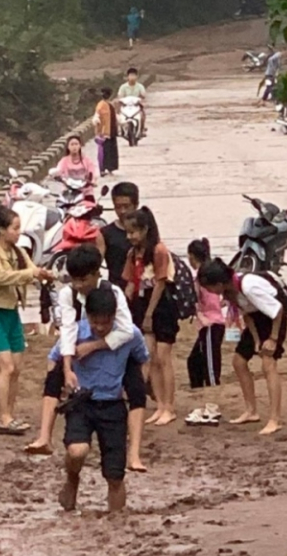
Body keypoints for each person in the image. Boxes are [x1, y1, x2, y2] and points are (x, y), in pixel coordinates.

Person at [24, 244, 148, 472]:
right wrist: (68, 368)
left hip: (116, 345)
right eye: (74, 280)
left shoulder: (114, 293)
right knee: (54, 374)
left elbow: (127, 331)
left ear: (96, 274)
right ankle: (44, 436)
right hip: (79, 341)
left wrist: (95, 346)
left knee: (136, 389)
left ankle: (135, 455)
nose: (79, 285)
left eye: (83, 280)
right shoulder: (68, 293)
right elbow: (68, 329)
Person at [56, 287, 151, 513]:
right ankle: (72, 477)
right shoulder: (74, 333)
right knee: (77, 451)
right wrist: (63, 381)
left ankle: (116, 520)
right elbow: (54, 359)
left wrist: (139, 389)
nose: (99, 328)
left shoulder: (130, 334)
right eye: (95, 322)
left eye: (105, 323)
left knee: (115, 474)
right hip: (81, 402)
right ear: (87, 316)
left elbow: (143, 359)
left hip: (113, 404)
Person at [0, 204, 55, 434]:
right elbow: (1, 278)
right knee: (6, 367)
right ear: (2, 229)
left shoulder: (17, 251)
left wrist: (43, 274)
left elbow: (31, 269)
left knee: (17, 368)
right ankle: (4, 418)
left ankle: (10, 414)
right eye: (15, 228)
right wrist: (30, 274)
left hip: (12, 313)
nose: (18, 232)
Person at [197, 259, 287, 435]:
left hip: (274, 318)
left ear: (218, 283)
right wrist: (255, 339)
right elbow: (246, 314)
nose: (208, 292)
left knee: (268, 363)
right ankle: (251, 411)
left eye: (209, 288)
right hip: (256, 318)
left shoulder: (248, 286)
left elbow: (277, 310)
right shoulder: (231, 291)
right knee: (239, 361)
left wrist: (272, 339)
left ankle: (274, 419)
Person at [123, 207, 179, 426]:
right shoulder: (133, 254)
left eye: (133, 232)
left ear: (145, 230)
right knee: (150, 356)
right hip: (142, 303)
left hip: (161, 306)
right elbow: (130, 282)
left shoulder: (159, 251)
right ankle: (160, 405)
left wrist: (149, 314)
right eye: (128, 233)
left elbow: (160, 283)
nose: (130, 237)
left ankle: (170, 406)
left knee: (164, 357)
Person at [186, 238, 225, 390]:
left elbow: (193, 300)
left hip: (210, 324)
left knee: (210, 363)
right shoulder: (211, 275)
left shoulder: (201, 279)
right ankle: (198, 390)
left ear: (192, 257)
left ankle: (212, 390)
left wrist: (199, 314)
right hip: (214, 323)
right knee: (194, 360)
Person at [101, 182, 139, 289]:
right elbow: (96, 262)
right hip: (117, 289)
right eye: (118, 207)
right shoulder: (106, 233)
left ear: (136, 205)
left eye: (127, 206)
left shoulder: (146, 229)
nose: (122, 211)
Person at [94, 88, 120, 175]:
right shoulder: (100, 105)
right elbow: (96, 116)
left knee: (111, 151)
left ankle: (110, 169)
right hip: (104, 132)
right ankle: (102, 169)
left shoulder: (111, 104)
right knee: (103, 152)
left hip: (112, 131)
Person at [117, 67, 147, 134]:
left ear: (137, 77)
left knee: (143, 114)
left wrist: (141, 98)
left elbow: (143, 95)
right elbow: (120, 96)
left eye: (134, 75)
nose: (132, 77)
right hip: (126, 105)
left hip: (136, 105)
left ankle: (142, 129)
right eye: (130, 75)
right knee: (119, 114)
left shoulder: (140, 86)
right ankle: (120, 128)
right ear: (127, 77)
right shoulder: (123, 87)